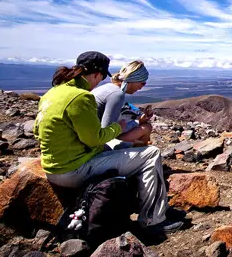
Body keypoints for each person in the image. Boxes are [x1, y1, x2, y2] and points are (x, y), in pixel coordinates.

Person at [33, 51, 183, 235]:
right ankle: (153, 220)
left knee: (130, 151)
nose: (101, 81)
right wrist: (120, 127)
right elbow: (97, 137)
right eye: (102, 76)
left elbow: (37, 131)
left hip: (53, 167)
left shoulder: (54, 92)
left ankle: (153, 204)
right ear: (97, 74)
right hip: (73, 170)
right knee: (150, 154)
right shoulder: (81, 97)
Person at [92, 60, 154, 146]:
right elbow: (106, 131)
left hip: (91, 137)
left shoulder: (109, 88)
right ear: (133, 79)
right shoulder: (116, 94)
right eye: (142, 83)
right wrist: (136, 122)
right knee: (147, 131)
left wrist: (138, 121)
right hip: (97, 144)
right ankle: (140, 152)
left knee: (144, 128)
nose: (141, 87)